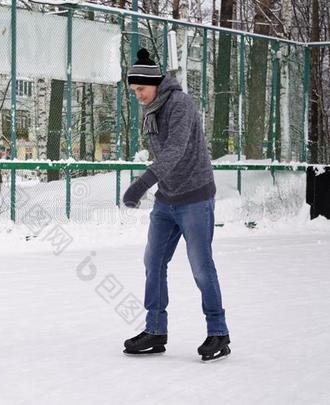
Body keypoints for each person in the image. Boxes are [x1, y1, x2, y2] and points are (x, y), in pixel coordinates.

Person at [121, 49, 230, 361]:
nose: (137, 95)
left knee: (201, 266)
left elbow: (175, 150)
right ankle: (155, 330)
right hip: (167, 199)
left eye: (141, 89)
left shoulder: (180, 104)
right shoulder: (152, 106)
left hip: (195, 197)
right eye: (134, 90)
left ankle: (218, 332)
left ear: (155, 84)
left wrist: (142, 183)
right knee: (152, 261)